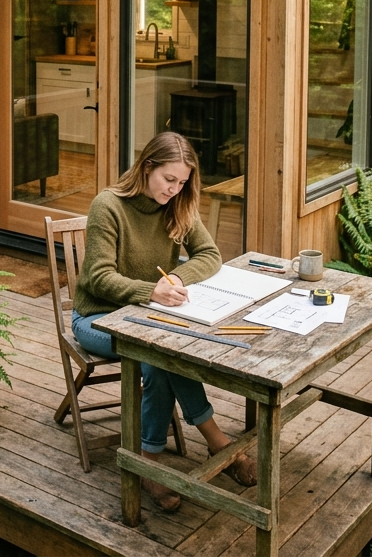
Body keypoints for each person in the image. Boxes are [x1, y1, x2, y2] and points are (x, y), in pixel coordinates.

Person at [71, 131, 256, 511]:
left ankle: (148, 462)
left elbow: (210, 254)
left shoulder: (178, 205)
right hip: (98, 317)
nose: (174, 189)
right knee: (159, 356)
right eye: (168, 179)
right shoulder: (108, 205)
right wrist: (149, 292)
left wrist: (176, 279)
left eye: (182, 182)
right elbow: (96, 278)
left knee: (164, 354)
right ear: (147, 166)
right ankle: (215, 442)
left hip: (148, 315)